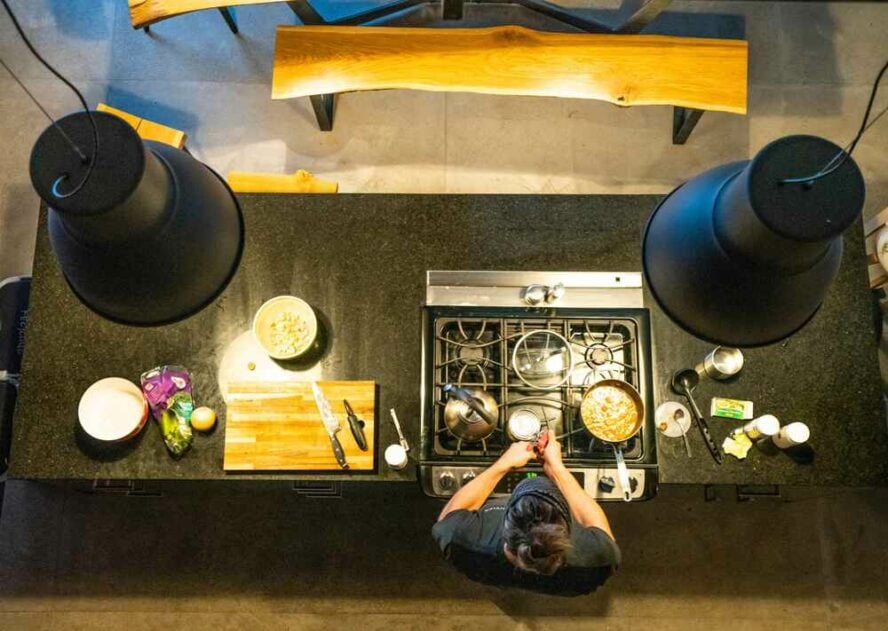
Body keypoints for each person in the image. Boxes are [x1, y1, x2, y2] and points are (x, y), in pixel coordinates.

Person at [431, 432, 620, 596]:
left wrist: (502, 465)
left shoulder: (463, 539)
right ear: (566, 524)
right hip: (565, 587)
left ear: (506, 540)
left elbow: (448, 517)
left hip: (492, 574)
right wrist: (557, 470)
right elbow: (596, 524)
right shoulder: (599, 558)